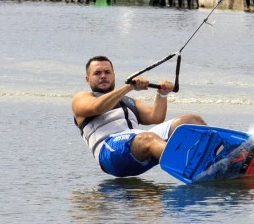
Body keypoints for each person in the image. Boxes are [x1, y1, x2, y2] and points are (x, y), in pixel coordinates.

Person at [72, 55, 206, 177]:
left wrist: (162, 94)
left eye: (107, 72)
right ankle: (194, 169)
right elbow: (97, 107)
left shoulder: (128, 101)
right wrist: (128, 87)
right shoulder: (81, 98)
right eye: (97, 73)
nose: (103, 76)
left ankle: (220, 158)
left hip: (138, 147)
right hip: (110, 153)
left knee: (190, 121)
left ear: (113, 75)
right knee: (148, 138)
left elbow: (155, 117)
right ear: (87, 79)